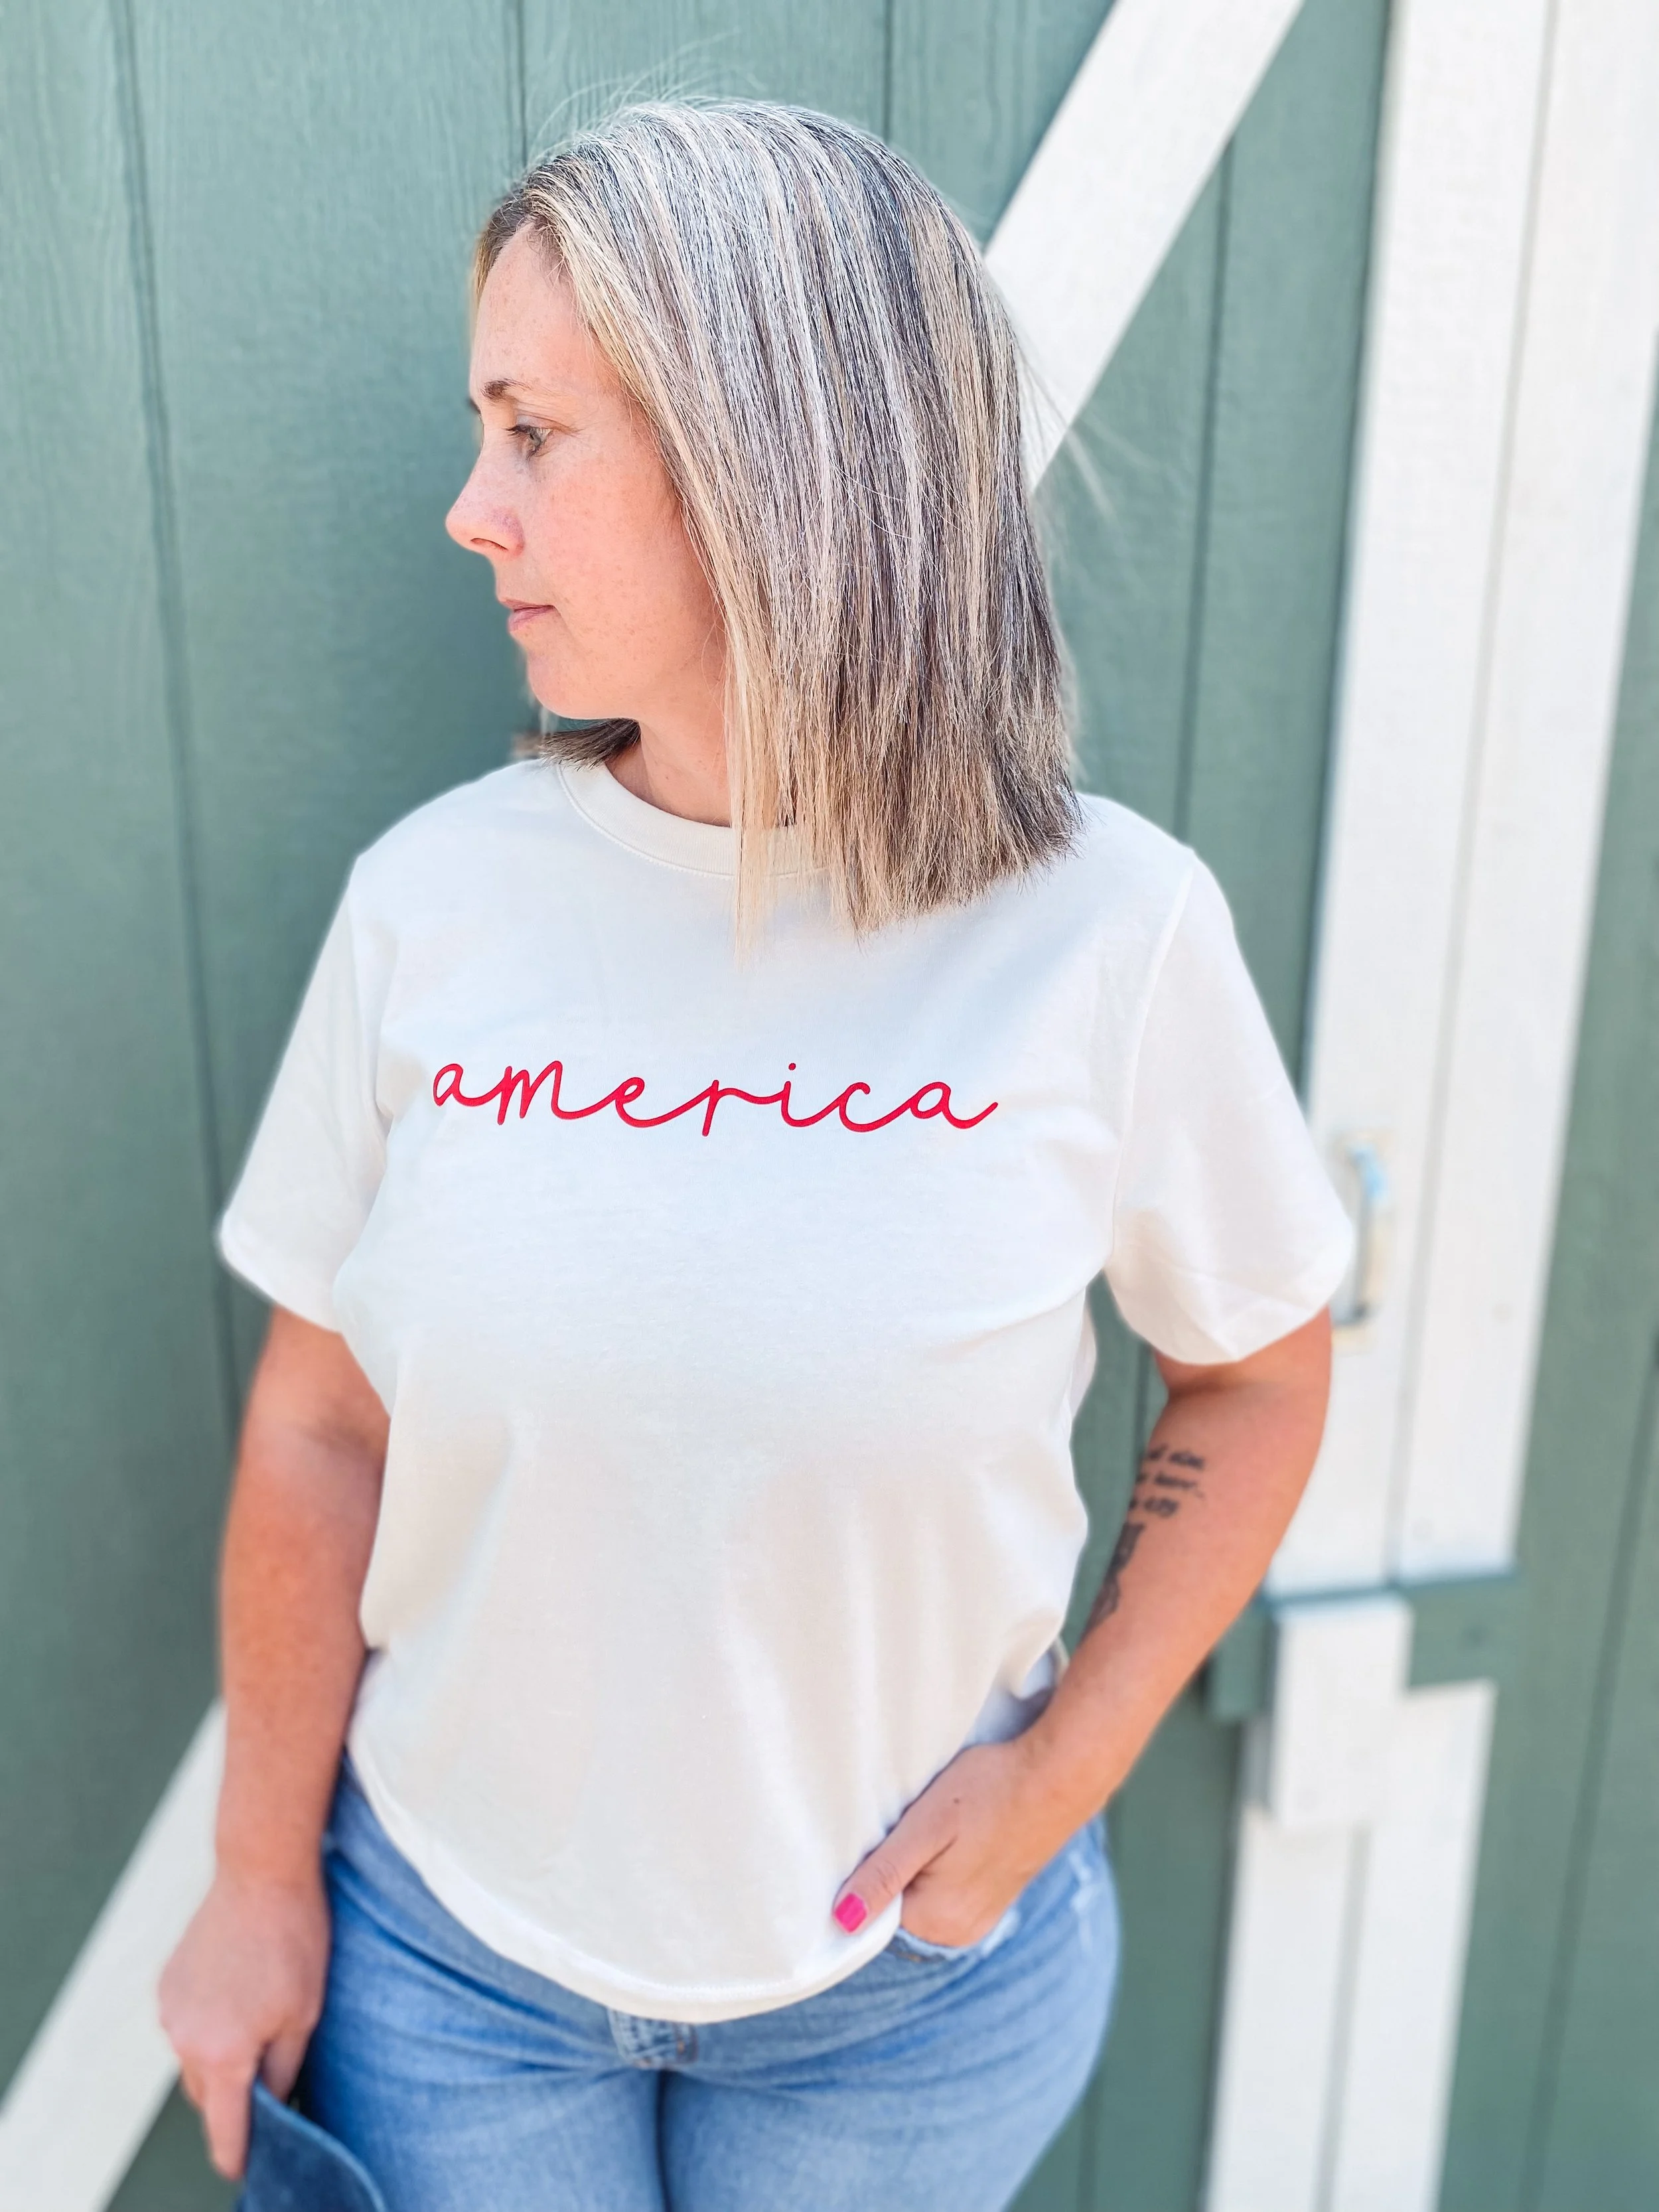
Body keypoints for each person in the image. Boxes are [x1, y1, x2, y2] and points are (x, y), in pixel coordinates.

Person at [158, 98, 1351, 2212]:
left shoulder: (1109, 933)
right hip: (453, 1970)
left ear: (764, 454)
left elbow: (1256, 1371)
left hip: (900, 2002)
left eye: (535, 432)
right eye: (483, 425)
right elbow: (319, 1420)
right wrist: (259, 1878)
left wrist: (1061, 1773)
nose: (469, 506)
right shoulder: (432, 904)